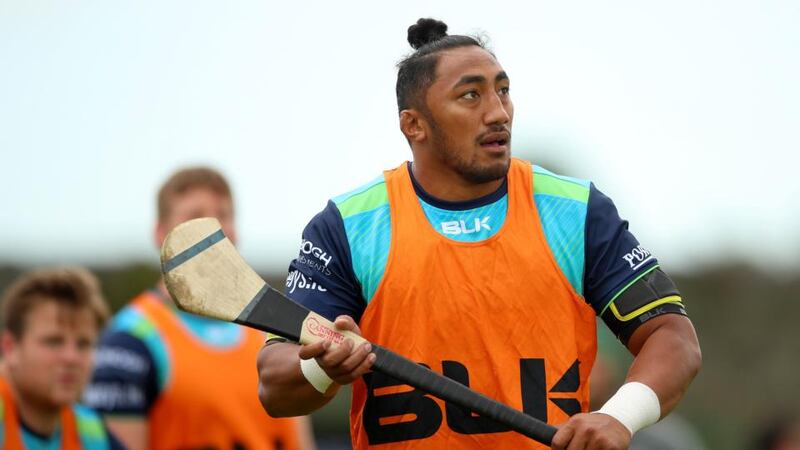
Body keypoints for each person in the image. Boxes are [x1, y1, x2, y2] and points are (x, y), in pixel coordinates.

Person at [257, 17, 702, 450]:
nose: (498, 112)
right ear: (415, 125)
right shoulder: (348, 225)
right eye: (471, 95)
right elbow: (274, 382)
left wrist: (619, 416)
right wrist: (325, 369)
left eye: (503, 90)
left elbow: (673, 338)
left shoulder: (577, 211)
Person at [83, 167, 314, 450]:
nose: (214, 230)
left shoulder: (270, 331)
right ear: (160, 234)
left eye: (224, 216)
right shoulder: (129, 339)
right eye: (195, 217)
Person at [0, 267, 124, 449]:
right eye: (54, 342)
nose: (71, 358)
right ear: (10, 348)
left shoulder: (92, 432)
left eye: (83, 344)